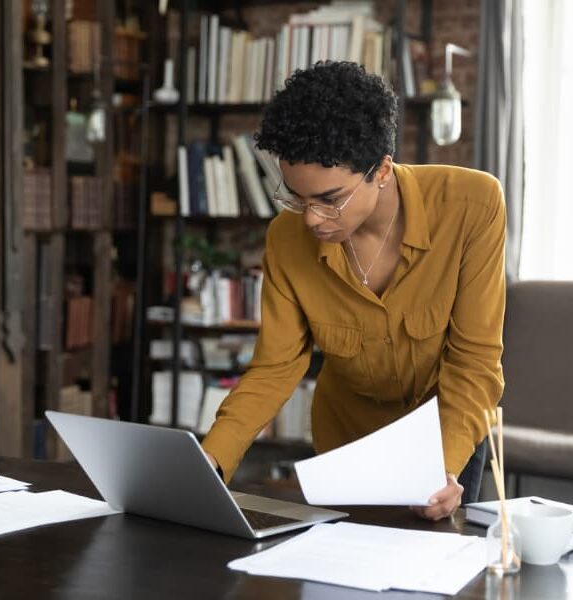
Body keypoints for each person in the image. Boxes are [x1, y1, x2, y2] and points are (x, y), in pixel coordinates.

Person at [201, 61, 505, 520]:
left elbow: (475, 360)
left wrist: (441, 467)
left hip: (447, 441)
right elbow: (274, 369)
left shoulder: (472, 205)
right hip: (345, 446)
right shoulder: (287, 239)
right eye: (296, 198)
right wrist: (212, 460)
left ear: (381, 170)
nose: (310, 219)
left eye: (329, 199)